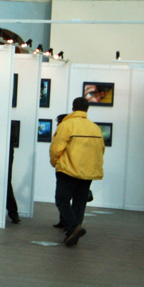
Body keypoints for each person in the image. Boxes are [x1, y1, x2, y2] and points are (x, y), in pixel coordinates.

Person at [50, 97, 104, 246]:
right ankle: (71, 234)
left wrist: (56, 163)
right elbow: (101, 149)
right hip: (88, 171)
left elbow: (56, 148)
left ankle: (74, 227)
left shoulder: (67, 125)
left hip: (68, 169)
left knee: (62, 200)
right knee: (79, 203)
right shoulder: (94, 127)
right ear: (87, 109)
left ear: (73, 107)